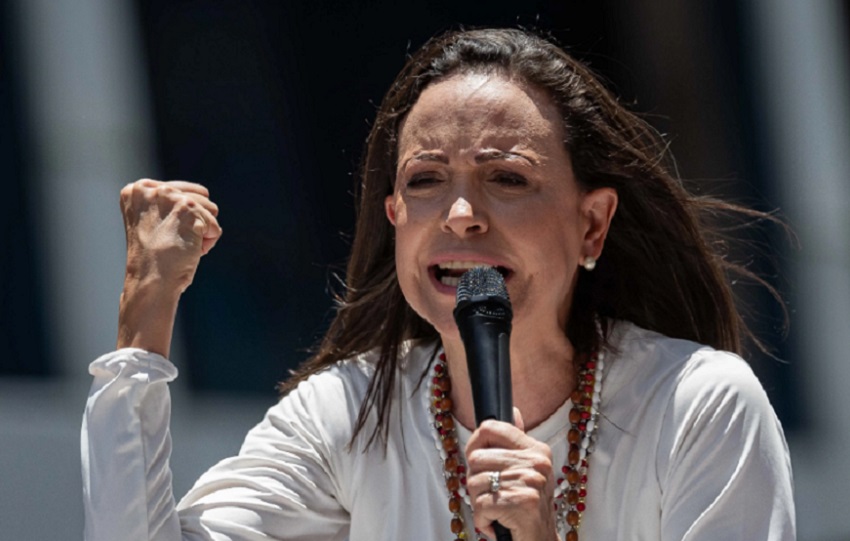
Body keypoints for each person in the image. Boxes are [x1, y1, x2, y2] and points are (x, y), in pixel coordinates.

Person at [81, 28, 795, 541]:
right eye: (425, 181)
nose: (460, 215)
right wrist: (146, 312)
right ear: (395, 219)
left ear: (592, 225)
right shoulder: (348, 414)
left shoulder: (701, 404)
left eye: (506, 178)